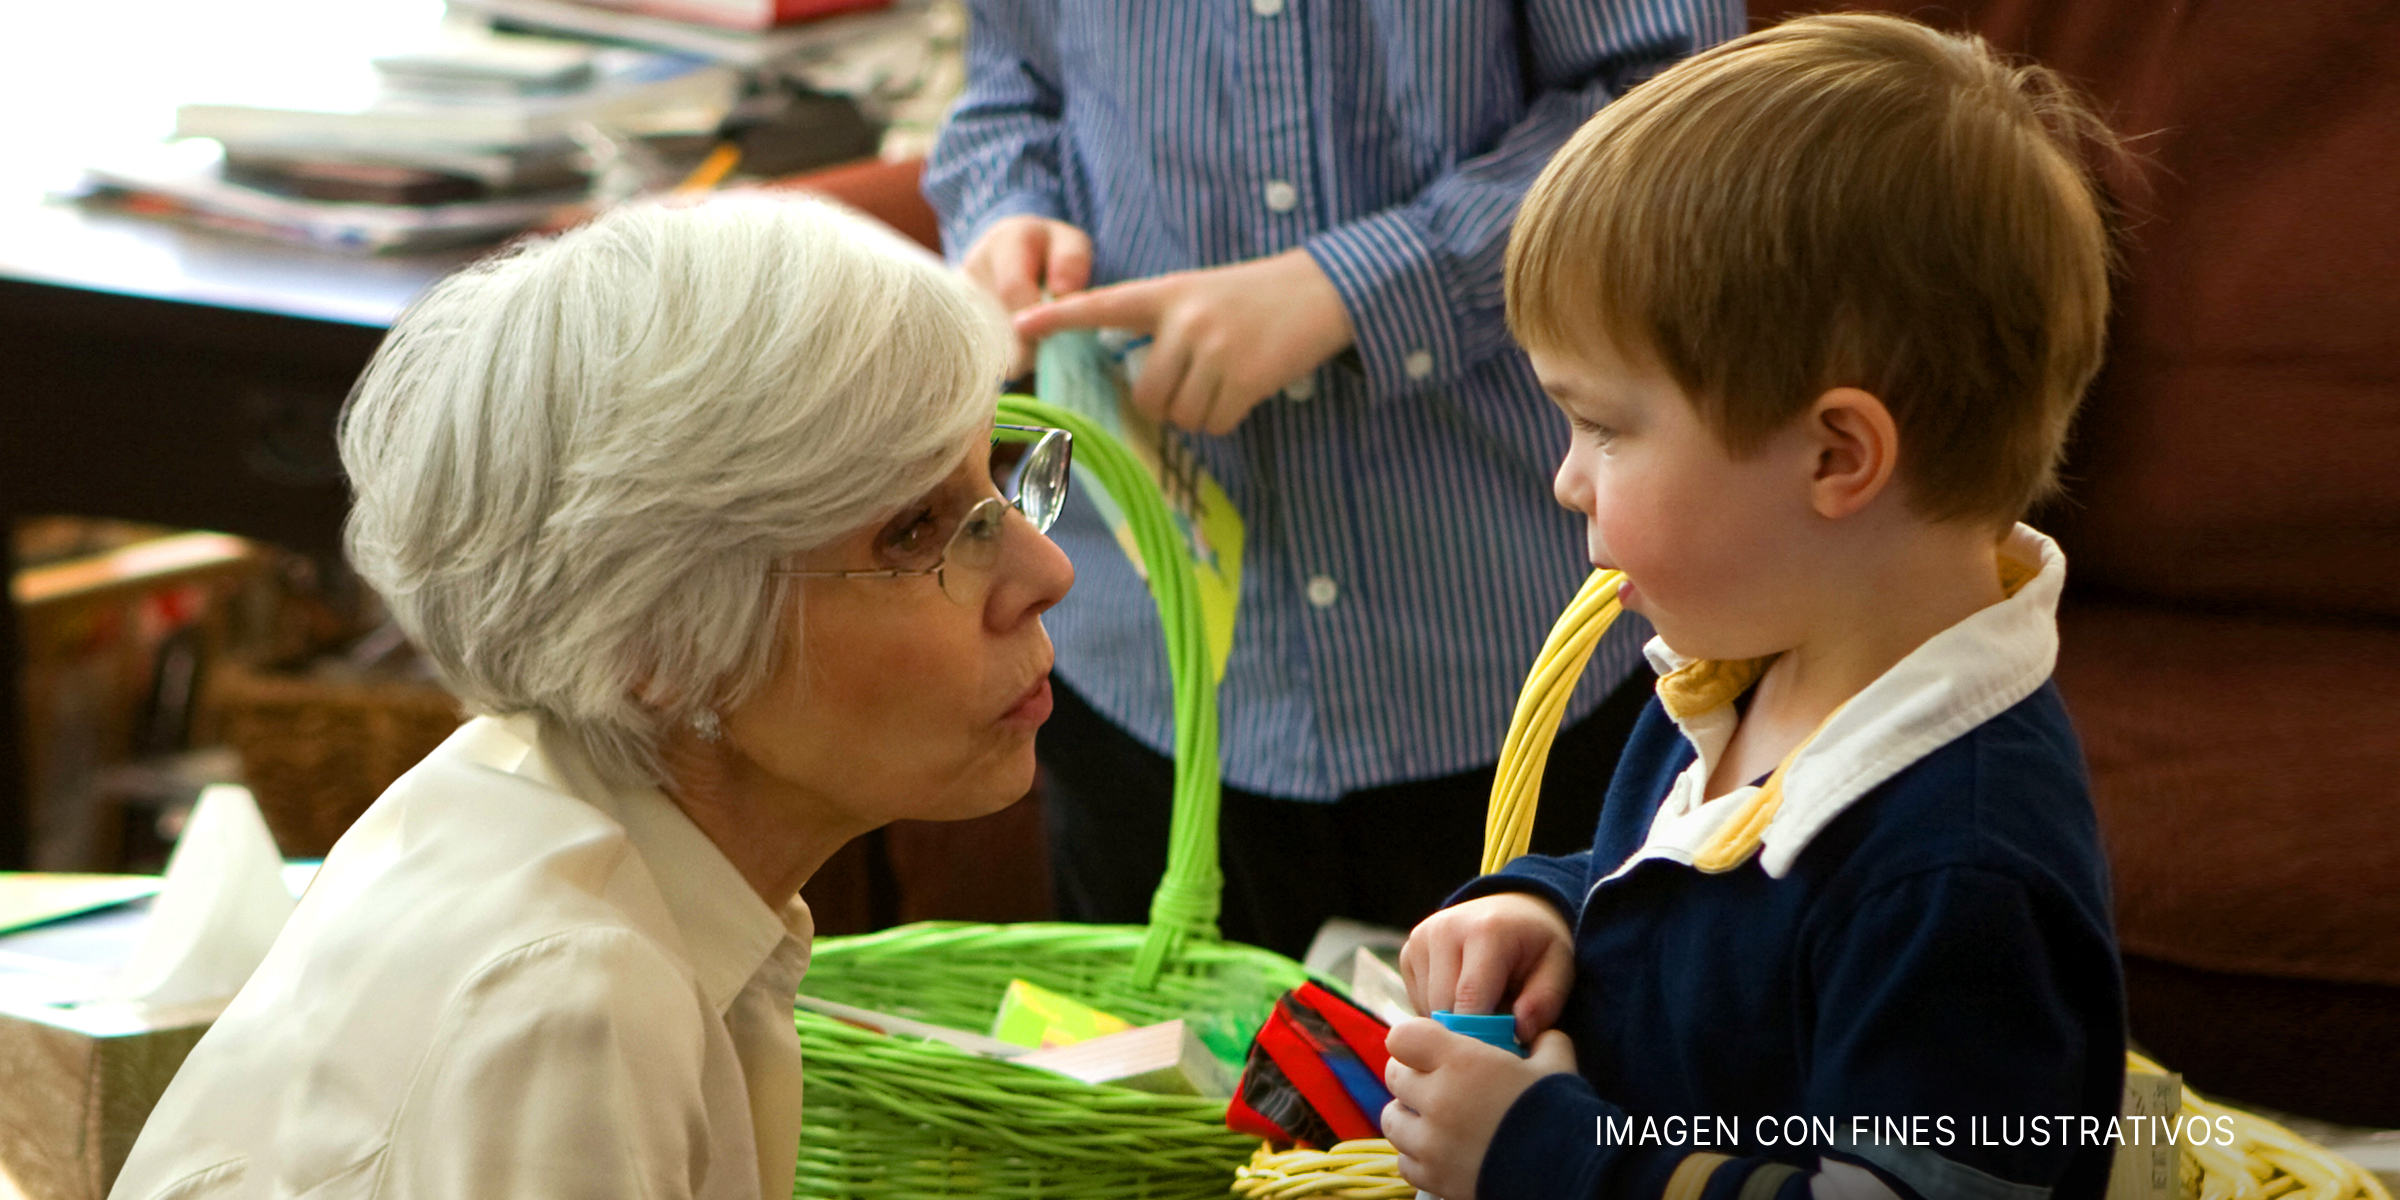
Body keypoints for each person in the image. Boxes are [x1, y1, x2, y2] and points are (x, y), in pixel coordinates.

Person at [110, 196, 1076, 1200]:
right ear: (659, 640)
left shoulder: (534, 801)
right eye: (916, 531)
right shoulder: (570, 998)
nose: (1047, 569)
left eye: (999, 485)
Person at [1381, 15, 2127, 1200]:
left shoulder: (1957, 870)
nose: (1567, 477)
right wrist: (1554, 910)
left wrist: (1548, 1156)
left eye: (1605, 427)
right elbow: (1695, 922)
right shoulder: (1744, 671)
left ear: (1837, 457)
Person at [924, 0, 1746, 959]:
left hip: (1506, 654)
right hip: (1144, 673)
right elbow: (1008, 88)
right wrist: (1005, 214)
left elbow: (1672, 113)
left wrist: (1352, 290)